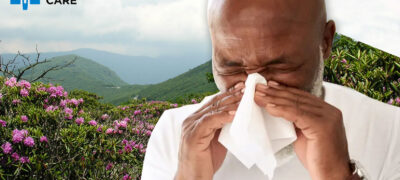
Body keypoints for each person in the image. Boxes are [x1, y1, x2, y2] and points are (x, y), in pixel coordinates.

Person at [141, 0, 400, 179]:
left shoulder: (389, 130)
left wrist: (340, 176)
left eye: (280, 66)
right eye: (231, 68)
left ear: (325, 43)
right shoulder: (175, 133)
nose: (255, 88)